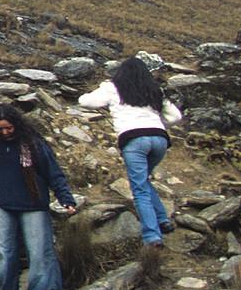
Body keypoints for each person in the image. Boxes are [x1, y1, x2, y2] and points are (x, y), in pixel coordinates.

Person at [0, 104, 79, 290]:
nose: (5, 132)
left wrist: (66, 198)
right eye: (0, 129)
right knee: (4, 254)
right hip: (3, 206)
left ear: (16, 125)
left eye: (8, 128)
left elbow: (53, 174)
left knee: (39, 253)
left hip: (33, 206)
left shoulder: (33, 144)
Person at [77, 58, 181, 254]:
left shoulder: (113, 87)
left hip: (134, 140)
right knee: (144, 181)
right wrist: (159, 124)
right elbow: (176, 117)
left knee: (139, 188)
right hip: (159, 139)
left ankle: (152, 236)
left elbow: (86, 102)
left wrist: (102, 88)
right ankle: (162, 220)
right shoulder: (154, 90)